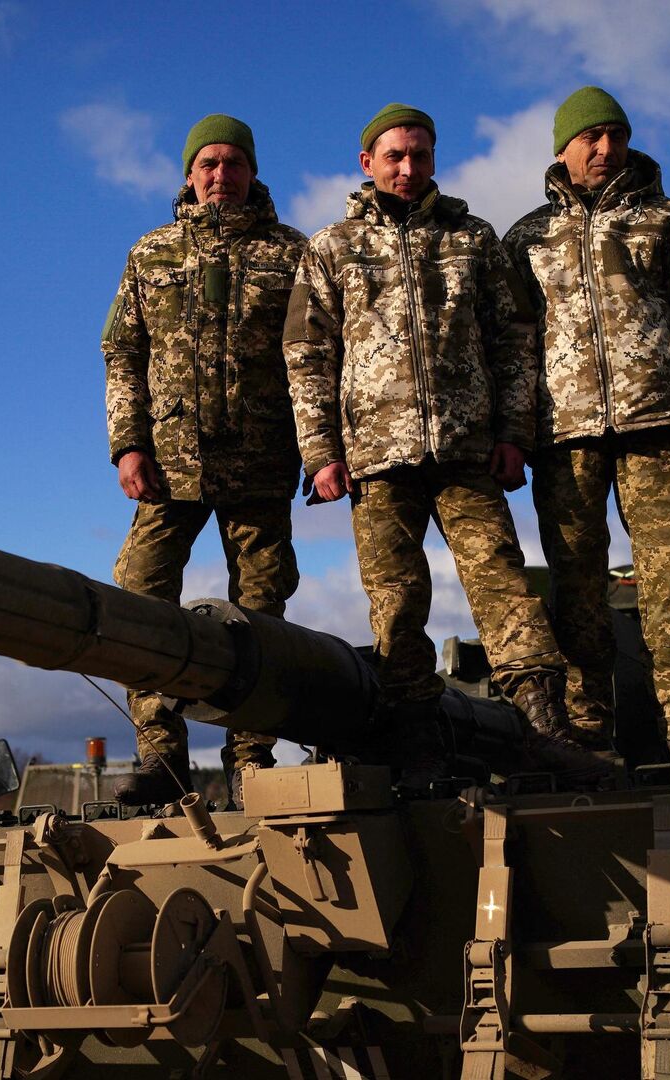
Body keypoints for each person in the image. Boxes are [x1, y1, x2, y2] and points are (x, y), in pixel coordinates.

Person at [284, 103, 596, 770]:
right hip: (375, 457)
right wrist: (320, 455)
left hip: (467, 451)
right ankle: (417, 733)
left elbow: (514, 342)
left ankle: (545, 724)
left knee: (503, 584)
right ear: (367, 163)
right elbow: (309, 356)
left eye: (420, 155)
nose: (407, 167)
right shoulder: (332, 248)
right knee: (395, 602)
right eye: (394, 156)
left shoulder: (473, 239)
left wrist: (514, 433)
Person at [503, 87, 670, 777]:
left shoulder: (667, 221)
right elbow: (514, 348)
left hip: (660, 425)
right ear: (563, 149)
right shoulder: (527, 237)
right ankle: (587, 736)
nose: (606, 149)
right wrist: (517, 435)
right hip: (565, 434)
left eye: (617, 135)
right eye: (592, 138)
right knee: (576, 590)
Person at [102, 114, 308, 806]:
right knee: (140, 590)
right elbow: (123, 355)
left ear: (252, 172)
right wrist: (128, 444)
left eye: (234, 164)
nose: (221, 176)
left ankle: (252, 760)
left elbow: (315, 357)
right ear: (190, 175)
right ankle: (161, 754)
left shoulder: (291, 253)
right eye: (208, 165)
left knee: (262, 606)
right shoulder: (150, 253)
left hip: (261, 459)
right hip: (171, 462)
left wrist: (318, 447)